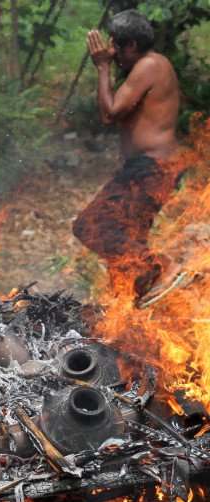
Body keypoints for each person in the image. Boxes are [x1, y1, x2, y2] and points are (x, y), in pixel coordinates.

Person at [72, 9, 181, 302]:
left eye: (116, 48)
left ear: (132, 45)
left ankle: (157, 266)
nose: (113, 54)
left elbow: (109, 113)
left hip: (152, 169)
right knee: (126, 240)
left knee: (90, 224)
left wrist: (102, 67)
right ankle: (127, 312)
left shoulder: (149, 65)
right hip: (148, 168)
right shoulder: (149, 65)